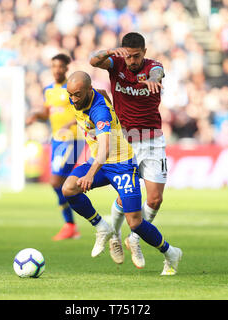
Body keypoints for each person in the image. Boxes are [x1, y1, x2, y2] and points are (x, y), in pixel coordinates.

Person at [61, 71, 182, 276]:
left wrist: (90, 174)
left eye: (77, 95)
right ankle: (102, 227)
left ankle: (170, 252)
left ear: (88, 91)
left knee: (135, 222)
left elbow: (105, 149)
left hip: (122, 164)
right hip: (100, 162)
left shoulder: (100, 113)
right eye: (70, 94)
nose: (73, 100)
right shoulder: (87, 96)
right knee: (69, 188)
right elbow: (101, 94)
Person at [89, 32, 168, 269]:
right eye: (129, 56)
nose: (132, 61)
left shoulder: (154, 67)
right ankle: (113, 234)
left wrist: (154, 79)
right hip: (125, 140)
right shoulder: (117, 64)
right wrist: (112, 52)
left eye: (137, 56)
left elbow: (158, 72)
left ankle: (134, 238)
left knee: (155, 198)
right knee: (127, 195)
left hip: (153, 140)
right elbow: (93, 60)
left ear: (144, 52)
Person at [26, 54, 85, 241]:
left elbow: (83, 111)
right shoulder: (49, 90)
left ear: (67, 68)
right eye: (54, 66)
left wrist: (70, 124)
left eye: (60, 66)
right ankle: (71, 224)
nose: (57, 69)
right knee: (60, 184)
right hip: (57, 140)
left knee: (55, 181)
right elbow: (47, 112)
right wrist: (36, 114)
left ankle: (72, 223)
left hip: (73, 140)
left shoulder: (73, 88)